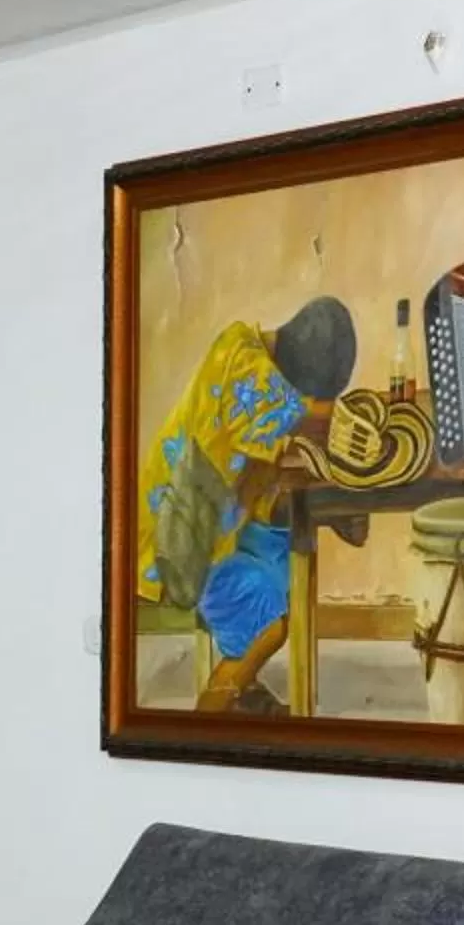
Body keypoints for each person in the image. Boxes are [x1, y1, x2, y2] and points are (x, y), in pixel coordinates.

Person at [134, 298, 357, 712]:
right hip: (183, 545)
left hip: (220, 523)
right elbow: (307, 418)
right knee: (271, 627)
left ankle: (244, 689)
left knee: (284, 536)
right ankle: (217, 703)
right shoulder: (251, 375)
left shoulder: (240, 341)